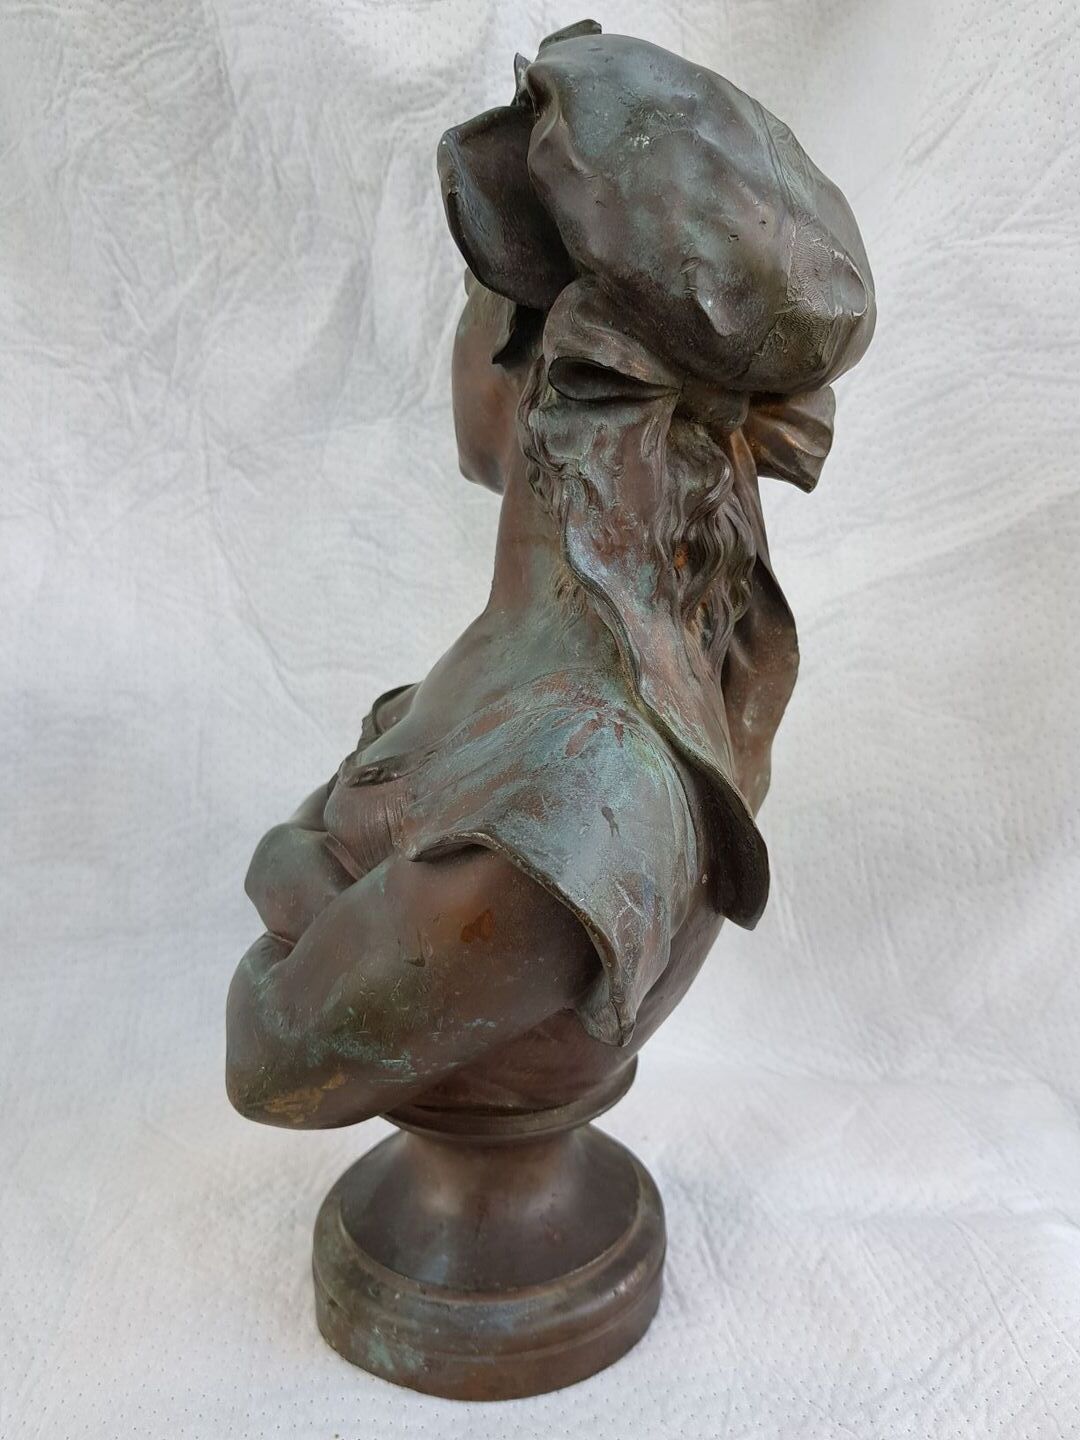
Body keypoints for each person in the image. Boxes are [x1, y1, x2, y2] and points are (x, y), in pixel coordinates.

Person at [225, 21, 874, 1130]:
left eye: (469, 304)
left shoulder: (585, 786)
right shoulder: (551, 670)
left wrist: (295, 862)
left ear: (525, 352)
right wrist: (313, 869)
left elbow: (270, 1057)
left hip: (486, 1216)